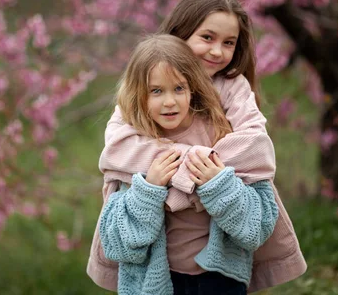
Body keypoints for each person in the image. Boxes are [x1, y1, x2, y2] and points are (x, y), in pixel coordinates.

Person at [87, 0, 307, 293]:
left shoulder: (231, 88)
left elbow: (255, 148)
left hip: (220, 272)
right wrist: (183, 171)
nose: (217, 51)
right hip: (158, 273)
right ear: (180, 33)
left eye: (229, 42)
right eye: (207, 37)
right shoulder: (142, 91)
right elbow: (119, 149)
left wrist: (196, 183)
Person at [99, 34, 279, 294]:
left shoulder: (220, 135)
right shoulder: (135, 144)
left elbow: (256, 228)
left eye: (179, 88)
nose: (170, 101)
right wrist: (149, 190)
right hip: (156, 281)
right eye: (156, 91)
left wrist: (219, 185)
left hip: (220, 279)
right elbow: (119, 243)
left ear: (192, 87)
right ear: (139, 94)